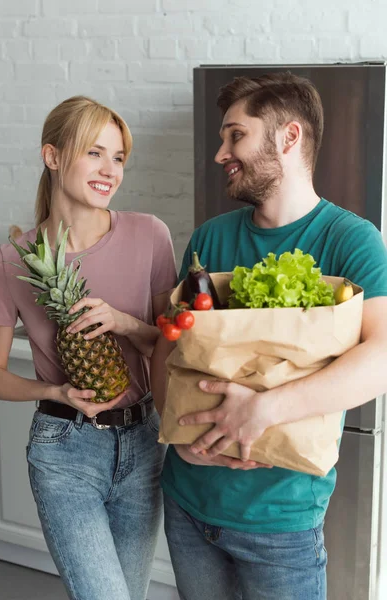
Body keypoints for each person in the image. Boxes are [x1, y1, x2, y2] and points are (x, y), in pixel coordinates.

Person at [150, 72, 387, 600]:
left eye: (236, 135)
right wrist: (179, 439)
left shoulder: (351, 240)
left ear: (288, 136)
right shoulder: (212, 236)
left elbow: (383, 356)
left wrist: (264, 410)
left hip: (281, 522)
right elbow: (170, 346)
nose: (220, 153)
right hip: (189, 503)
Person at [0, 96, 177, 600]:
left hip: (142, 441)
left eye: (118, 158)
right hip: (64, 448)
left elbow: (174, 347)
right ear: (52, 156)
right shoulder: (12, 259)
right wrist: (57, 389)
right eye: (94, 153)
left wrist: (124, 323)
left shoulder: (150, 235)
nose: (109, 170)